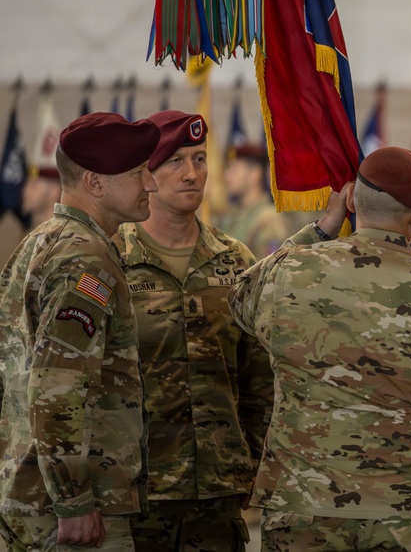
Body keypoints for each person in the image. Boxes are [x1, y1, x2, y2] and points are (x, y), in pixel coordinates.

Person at [229, 146, 411, 551]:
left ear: (352, 200)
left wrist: (322, 228)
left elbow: (238, 297)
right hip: (409, 511)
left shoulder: (289, 273)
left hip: (303, 506)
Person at [113, 110, 274, 551]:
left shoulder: (234, 258)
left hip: (218, 491)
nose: (192, 174)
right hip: (135, 491)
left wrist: (254, 465)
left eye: (200, 159)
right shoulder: (111, 258)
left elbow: (257, 376)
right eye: (175, 161)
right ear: (145, 174)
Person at [0, 113, 160, 551]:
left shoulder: (39, 242)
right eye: (137, 172)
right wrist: (73, 501)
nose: (153, 184)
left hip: (28, 493)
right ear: (94, 181)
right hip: (70, 510)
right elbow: (58, 387)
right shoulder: (86, 260)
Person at [218, 144, 289, 258]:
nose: (227, 175)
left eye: (234, 169)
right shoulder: (229, 215)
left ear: (254, 174)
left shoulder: (269, 219)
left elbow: (268, 269)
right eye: (227, 169)